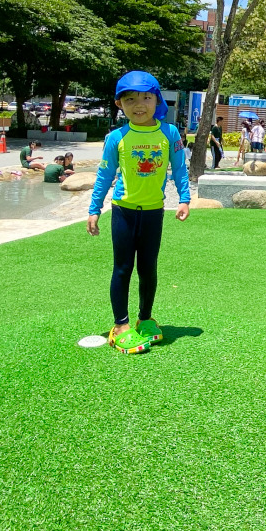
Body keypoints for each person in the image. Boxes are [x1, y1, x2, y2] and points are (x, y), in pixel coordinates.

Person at [87, 70, 191, 354]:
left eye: (146, 97)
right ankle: (120, 325)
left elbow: (180, 169)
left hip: (153, 213)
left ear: (157, 100)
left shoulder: (169, 133)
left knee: (148, 269)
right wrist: (94, 209)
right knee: (122, 268)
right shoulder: (116, 137)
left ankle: (145, 319)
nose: (139, 104)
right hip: (124, 212)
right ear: (119, 104)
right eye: (130, 99)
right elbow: (105, 175)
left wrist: (184, 198)